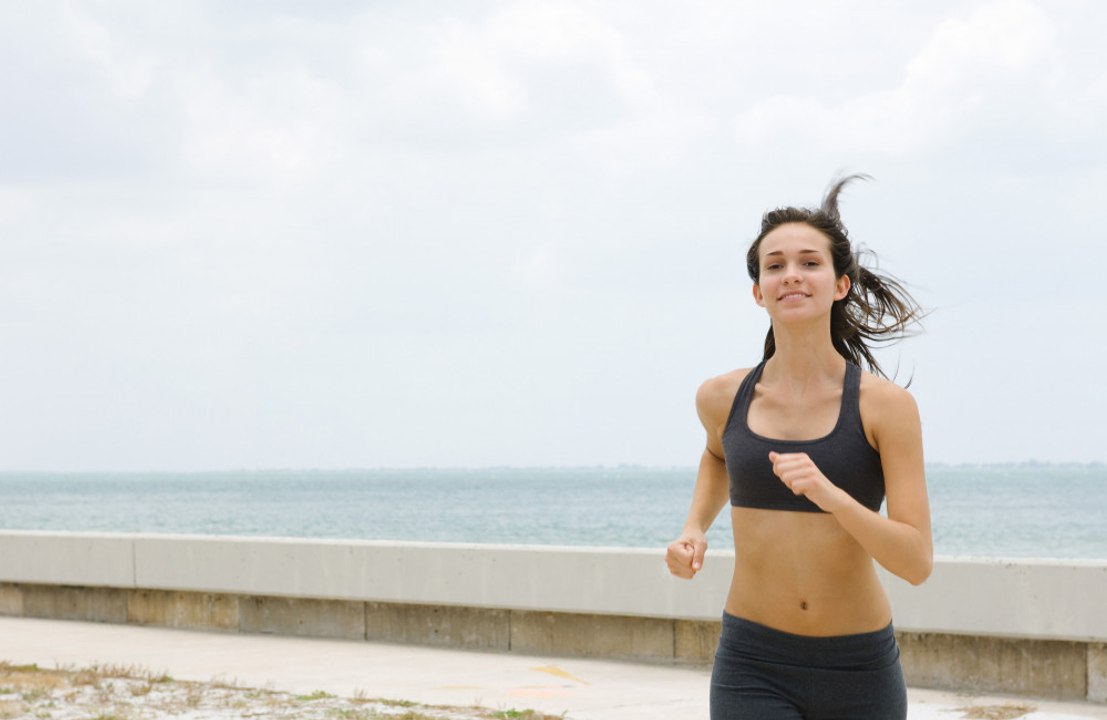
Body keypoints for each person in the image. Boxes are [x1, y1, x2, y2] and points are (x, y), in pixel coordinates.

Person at [665, 175, 931, 719]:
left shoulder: (885, 408)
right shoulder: (722, 397)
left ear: (840, 285)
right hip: (751, 661)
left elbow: (916, 561)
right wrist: (694, 528)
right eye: (775, 264)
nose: (792, 274)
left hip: (858, 667)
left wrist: (830, 495)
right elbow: (719, 455)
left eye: (810, 262)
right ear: (759, 291)